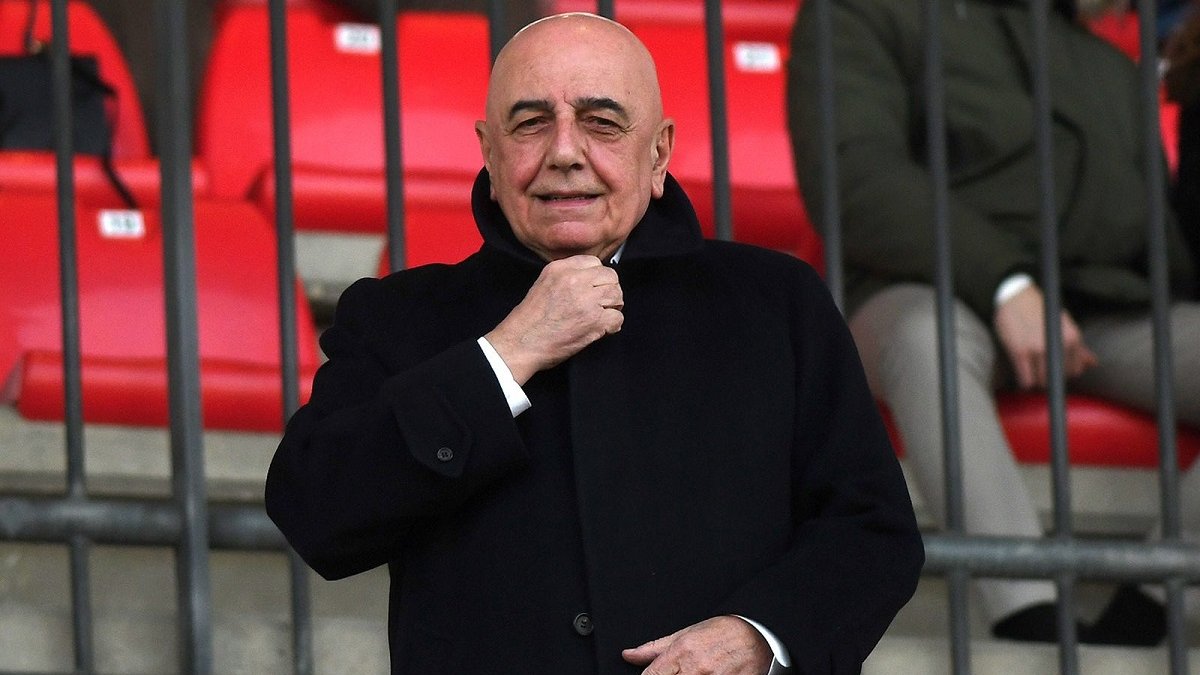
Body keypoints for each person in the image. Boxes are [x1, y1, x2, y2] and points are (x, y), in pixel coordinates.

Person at [266, 12, 924, 675]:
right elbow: (316, 511)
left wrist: (760, 636)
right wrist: (506, 354)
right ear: (490, 154)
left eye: (602, 123)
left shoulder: (776, 304)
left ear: (659, 155)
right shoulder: (399, 316)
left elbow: (872, 528)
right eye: (530, 123)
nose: (564, 152)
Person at [788, 0, 1200, 646]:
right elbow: (856, 177)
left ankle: (1147, 613)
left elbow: (1157, 235)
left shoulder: (1105, 59)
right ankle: (1032, 619)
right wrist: (1007, 282)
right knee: (926, 340)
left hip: (1106, 310)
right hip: (924, 286)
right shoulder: (861, 13)